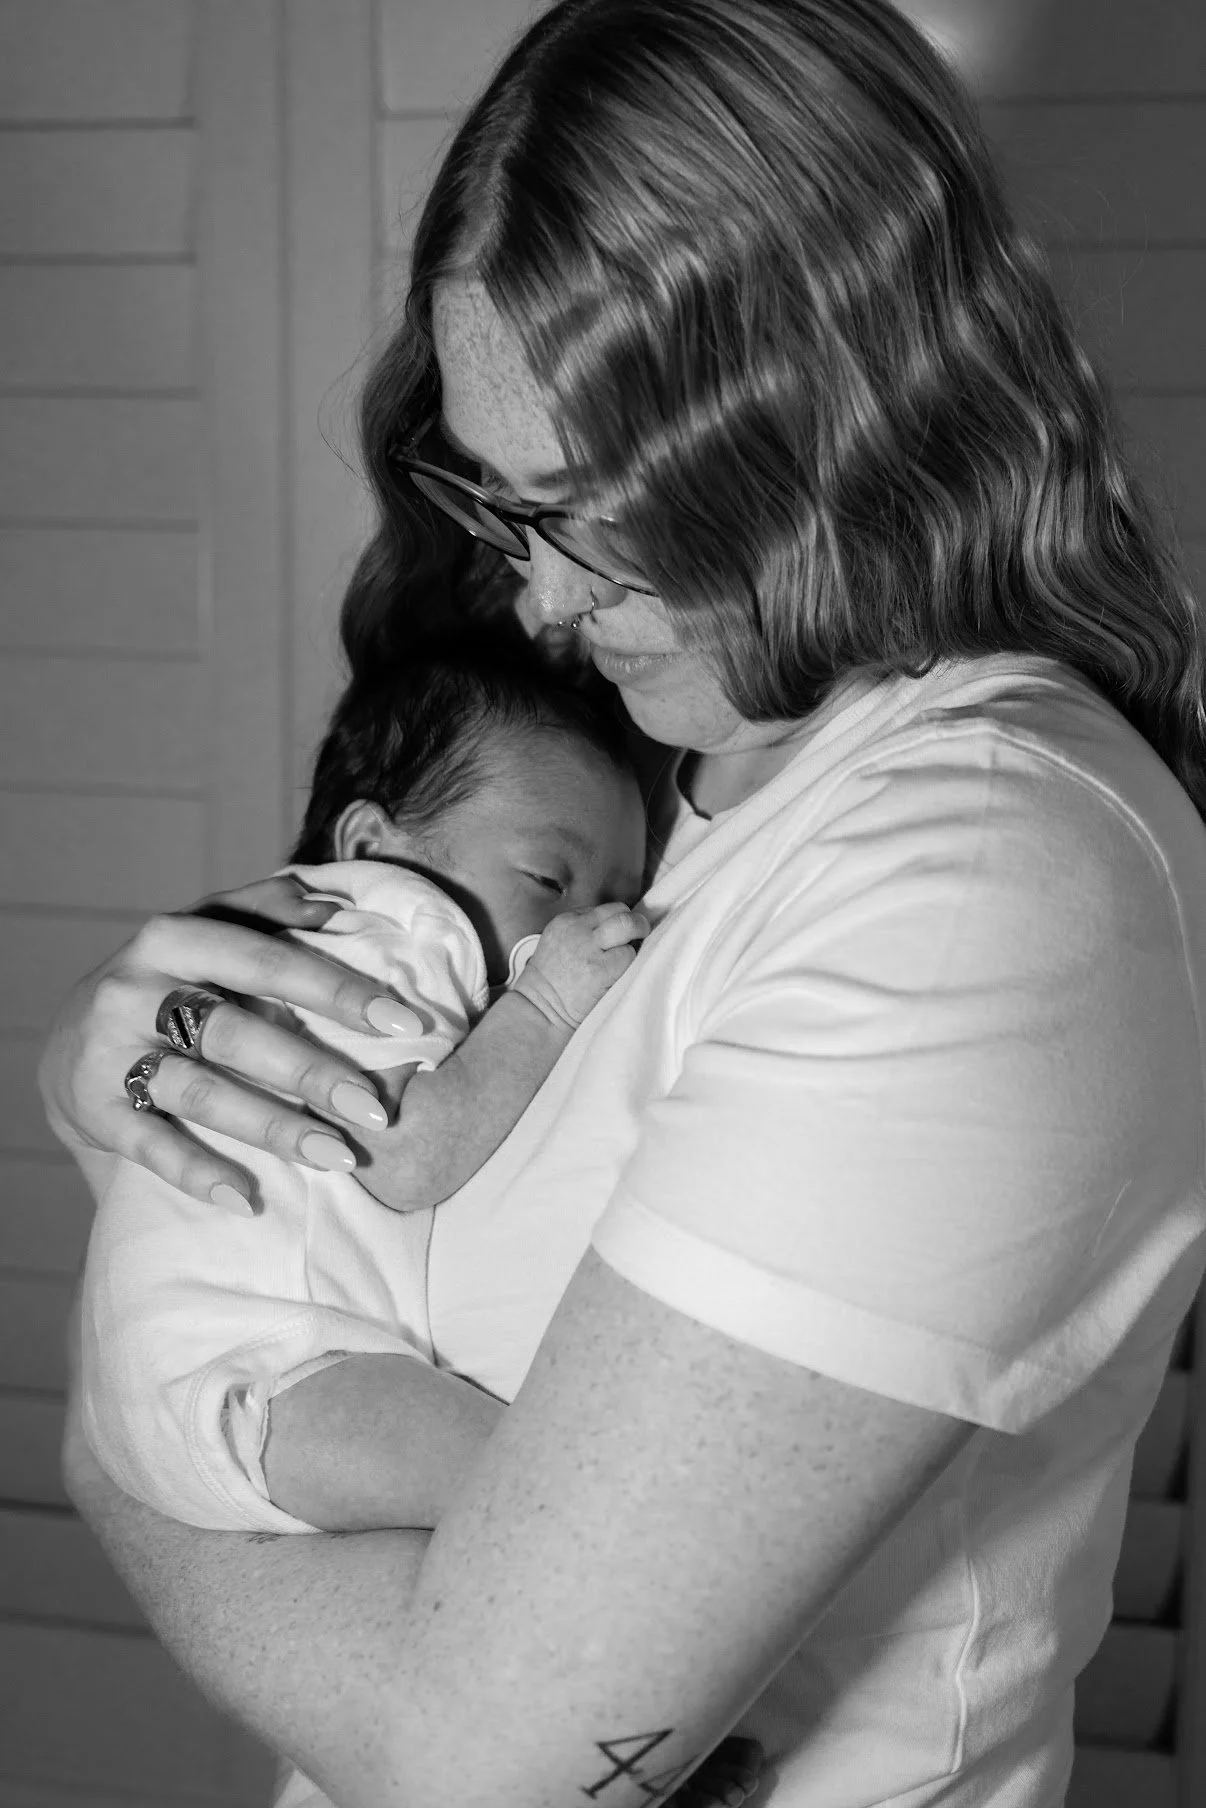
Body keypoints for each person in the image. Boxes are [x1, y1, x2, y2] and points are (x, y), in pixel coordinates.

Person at [40, 2, 1206, 1805]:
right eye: (500, 505)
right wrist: (128, 1081)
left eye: (588, 514)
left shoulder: (983, 878)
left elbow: (488, 1768)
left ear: (829, 426)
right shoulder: (644, 776)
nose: (537, 598)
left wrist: (129, 1452)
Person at [76, 643, 648, 1535]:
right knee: (557, 1506)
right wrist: (544, 1004)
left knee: (538, 1511)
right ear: (372, 845)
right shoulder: (387, 927)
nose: (586, 923)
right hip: (266, 1373)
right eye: (547, 879)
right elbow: (400, 1155)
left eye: (619, 896)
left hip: (200, 1382)